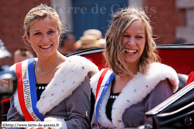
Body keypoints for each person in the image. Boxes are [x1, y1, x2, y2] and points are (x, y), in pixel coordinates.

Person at [7, 4, 99, 129]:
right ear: (27, 37)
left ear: (59, 33)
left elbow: (81, 123)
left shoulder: (76, 70)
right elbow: (13, 121)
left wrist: (51, 127)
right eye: (37, 33)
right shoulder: (19, 73)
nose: (45, 40)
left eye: (50, 32)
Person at [90, 7, 179, 129]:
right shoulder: (101, 80)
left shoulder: (157, 80)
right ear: (114, 39)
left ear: (146, 41)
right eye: (125, 35)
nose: (132, 43)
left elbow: (162, 126)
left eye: (139, 37)